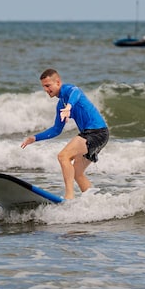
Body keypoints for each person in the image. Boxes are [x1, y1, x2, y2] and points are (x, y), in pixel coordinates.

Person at [20, 68, 109, 200]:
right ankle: (96, 202)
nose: (45, 89)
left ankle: (69, 197)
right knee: (77, 173)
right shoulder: (60, 104)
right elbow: (56, 129)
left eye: (48, 85)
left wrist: (69, 107)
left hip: (97, 132)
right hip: (95, 134)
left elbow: (76, 91)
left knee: (63, 156)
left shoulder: (69, 90)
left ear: (58, 82)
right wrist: (34, 138)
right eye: (43, 86)